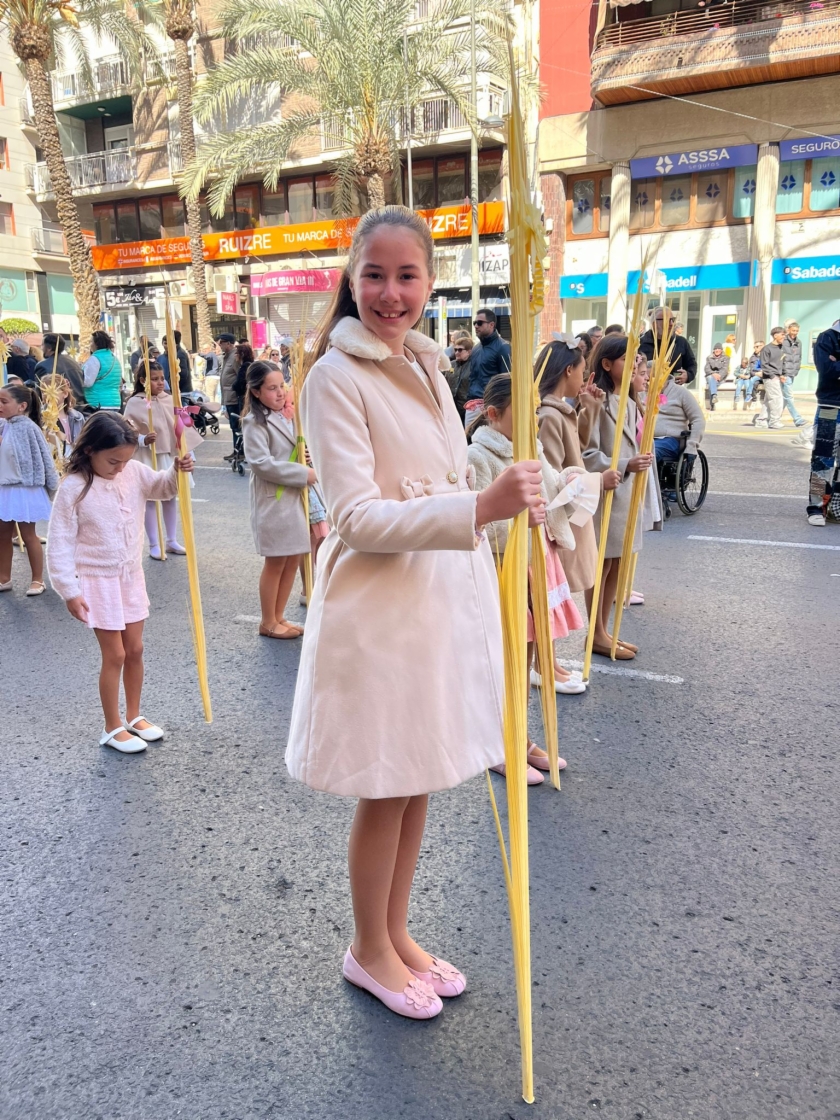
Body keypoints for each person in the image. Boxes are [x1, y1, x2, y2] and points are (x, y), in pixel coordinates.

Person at [285, 205, 542, 1021]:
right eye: (374, 275)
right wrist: (480, 506)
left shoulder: (428, 364)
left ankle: (396, 933)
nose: (390, 293)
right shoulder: (334, 376)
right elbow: (356, 516)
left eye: (407, 276)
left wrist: (507, 498)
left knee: (420, 775)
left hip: (435, 602)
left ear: (431, 282)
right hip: (381, 612)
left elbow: (444, 479)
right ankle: (368, 947)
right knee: (386, 784)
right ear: (351, 278)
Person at [47, 413, 193, 752]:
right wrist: (69, 590)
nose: (120, 468)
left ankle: (134, 715)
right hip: (98, 580)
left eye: (125, 460)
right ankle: (111, 727)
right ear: (90, 450)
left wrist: (177, 470)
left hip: (130, 574)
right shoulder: (73, 487)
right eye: (113, 461)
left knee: (136, 649)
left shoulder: (134, 472)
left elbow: (162, 488)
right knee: (115, 654)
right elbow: (60, 542)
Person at [467, 370, 586, 705]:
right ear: (493, 414)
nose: (533, 420)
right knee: (510, 646)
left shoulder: (533, 448)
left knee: (532, 638)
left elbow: (551, 484)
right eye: (523, 412)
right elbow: (476, 520)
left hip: (540, 559)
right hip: (508, 567)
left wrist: (570, 481)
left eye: (534, 411)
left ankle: (523, 718)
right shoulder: (478, 456)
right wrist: (519, 521)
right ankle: (507, 720)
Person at [536, 336, 622, 620]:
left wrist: (590, 408)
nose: (584, 378)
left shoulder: (560, 411)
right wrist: (597, 481)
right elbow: (551, 478)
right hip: (562, 515)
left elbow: (577, 449)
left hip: (574, 510)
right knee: (551, 595)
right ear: (568, 370)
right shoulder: (549, 415)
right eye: (582, 371)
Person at [582, 335, 653, 660]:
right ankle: (595, 633)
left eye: (636, 359)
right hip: (606, 496)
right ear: (607, 364)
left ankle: (604, 630)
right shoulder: (598, 401)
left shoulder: (631, 403)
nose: (634, 365)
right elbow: (586, 453)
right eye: (627, 359)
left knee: (617, 564)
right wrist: (625, 464)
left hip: (626, 498)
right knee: (601, 566)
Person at [241, 360, 313, 639]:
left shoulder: (287, 415)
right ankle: (267, 621)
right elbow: (261, 463)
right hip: (274, 500)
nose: (280, 392)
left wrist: (305, 455)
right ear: (256, 392)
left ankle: (279, 616)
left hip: (294, 498)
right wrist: (303, 473)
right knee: (276, 562)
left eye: (281, 385)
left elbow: (294, 449)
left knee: (293, 558)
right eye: (272, 388)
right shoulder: (254, 422)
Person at [123, 361, 202, 560]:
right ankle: (154, 543)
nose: (160, 382)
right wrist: (143, 439)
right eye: (154, 379)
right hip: (147, 456)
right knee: (150, 499)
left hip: (168, 456)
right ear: (143, 380)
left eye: (162, 378)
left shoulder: (170, 399)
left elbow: (182, 429)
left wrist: (189, 455)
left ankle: (171, 540)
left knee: (170, 496)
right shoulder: (135, 402)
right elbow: (127, 431)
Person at [0, 382, 57, 596]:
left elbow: (43, 457)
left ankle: (38, 579)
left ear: (22, 405)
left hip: (24, 488)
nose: (0, 405)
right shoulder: (4, 425)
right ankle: (4, 578)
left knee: (28, 535)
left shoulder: (28, 427)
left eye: (4, 401)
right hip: (5, 487)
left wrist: (52, 484)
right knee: (2, 534)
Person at [807, 317, 840, 526]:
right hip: (831, 406)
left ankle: (836, 508)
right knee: (822, 461)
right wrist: (832, 366)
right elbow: (826, 370)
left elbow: (833, 368)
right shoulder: (827, 338)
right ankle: (815, 507)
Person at [465, 308, 511, 427]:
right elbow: (472, 377)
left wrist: (499, 407)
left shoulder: (503, 347)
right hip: (472, 406)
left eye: (480, 323)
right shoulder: (476, 348)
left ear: (491, 325)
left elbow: (507, 380)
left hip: (491, 407)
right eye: (475, 323)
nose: (476, 326)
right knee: (468, 438)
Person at [653, 365, 706, 463]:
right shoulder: (641, 392)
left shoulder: (681, 392)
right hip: (643, 439)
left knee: (649, 453)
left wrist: (692, 445)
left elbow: (698, 419)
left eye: (651, 377)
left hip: (670, 440)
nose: (647, 380)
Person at [639, 307, 697, 385]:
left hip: (673, 389)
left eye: (673, 320)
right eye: (667, 320)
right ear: (654, 324)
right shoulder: (640, 344)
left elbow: (692, 364)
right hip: (646, 390)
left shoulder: (680, 342)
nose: (671, 324)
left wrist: (688, 375)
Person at [35, 334, 86, 408]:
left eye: (42, 345)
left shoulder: (42, 365)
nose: (41, 348)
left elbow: (40, 393)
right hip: (80, 405)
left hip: (59, 408)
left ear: (49, 348)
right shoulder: (73, 361)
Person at [754, 327, 786, 429]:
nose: (784, 337)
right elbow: (764, 365)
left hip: (778, 377)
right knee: (777, 399)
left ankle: (761, 420)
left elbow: (782, 363)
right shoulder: (767, 349)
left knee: (769, 400)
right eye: (782, 335)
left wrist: (783, 374)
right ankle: (774, 421)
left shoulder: (782, 348)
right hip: (770, 377)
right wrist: (773, 376)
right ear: (775, 335)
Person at [83, 330, 123, 411]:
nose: (89, 345)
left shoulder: (95, 359)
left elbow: (87, 382)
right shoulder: (115, 359)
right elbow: (119, 382)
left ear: (97, 344)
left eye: (91, 342)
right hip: (115, 403)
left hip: (97, 403)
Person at [217, 333, 240, 460]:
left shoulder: (235, 357)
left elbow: (240, 377)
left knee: (236, 426)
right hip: (228, 398)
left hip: (234, 398)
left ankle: (239, 451)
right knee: (233, 426)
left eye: (221, 342)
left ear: (229, 343)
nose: (219, 345)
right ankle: (236, 450)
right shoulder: (226, 357)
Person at [781, 320, 806, 427]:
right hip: (785, 373)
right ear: (788, 330)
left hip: (792, 372)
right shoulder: (783, 341)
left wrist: (797, 369)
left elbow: (799, 356)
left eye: (797, 331)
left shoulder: (799, 342)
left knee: (784, 397)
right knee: (789, 396)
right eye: (793, 330)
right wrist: (781, 372)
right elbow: (779, 357)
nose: (795, 333)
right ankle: (797, 418)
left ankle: (771, 417)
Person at [53, 377, 85, 455]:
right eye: (43, 391)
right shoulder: (42, 418)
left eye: (53, 390)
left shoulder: (78, 417)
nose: (46, 395)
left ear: (65, 393)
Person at [444, 335, 473, 422]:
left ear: (469, 351)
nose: (457, 352)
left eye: (460, 350)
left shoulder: (474, 365)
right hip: (451, 407)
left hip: (467, 409)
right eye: (455, 349)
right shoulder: (450, 365)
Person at [158, 329, 193, 395]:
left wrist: (174, 386)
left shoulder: (179, 354)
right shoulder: (169, 355)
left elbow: (183, 374)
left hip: (182, 392)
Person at [703, 343, 729, 411]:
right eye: (715, 349)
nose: (717, 350)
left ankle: (712, 404)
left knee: (711, 384)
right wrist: (713, 373)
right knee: (711, 379)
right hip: (711, 375)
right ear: (713, 350)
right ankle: (714, 395)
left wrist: (719, 375)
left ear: (721, 350)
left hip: (720, 377)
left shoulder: (726, 358)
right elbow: (706, 369)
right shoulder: (709, 358)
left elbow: (725, 369)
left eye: (718, 349)